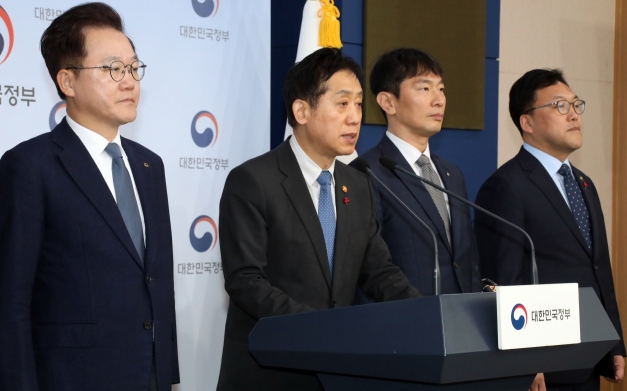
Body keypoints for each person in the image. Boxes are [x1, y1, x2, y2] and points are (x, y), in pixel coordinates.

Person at [216, 48, 421, 390]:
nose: (355, 116)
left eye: (358, 104)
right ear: (302, 111)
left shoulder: (359, 185)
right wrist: (321, 328)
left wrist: (425, 314)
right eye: (342, 104)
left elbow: (380, 272)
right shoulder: (253, 180)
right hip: (270, 373)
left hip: (336, 375)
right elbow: (245, 281)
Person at [0, 3, 179, 390]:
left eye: (133, 68)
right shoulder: (30, 166)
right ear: (67, 81)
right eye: (113, 69)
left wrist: (166, 370)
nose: (130, 81)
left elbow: (155, 282)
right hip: (72, 378)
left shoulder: (151, 166)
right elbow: (11, 302)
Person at [474, 68, 625, 390]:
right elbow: (504, 280)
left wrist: (614, 341)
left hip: (591, 353)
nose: (573, 115)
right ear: (526, 123)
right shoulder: (506, 186)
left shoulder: (584, 183)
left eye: (576, 105)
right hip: (544, 365)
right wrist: (523, 360)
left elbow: (599, 269)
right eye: (559, 106)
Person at [354, 48, 482, 296]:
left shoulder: (451, 174)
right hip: (406, 323)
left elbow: (467, 261)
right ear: (388, 102)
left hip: (462, 319)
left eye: (441, 89)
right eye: (425, 88)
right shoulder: (366, 172)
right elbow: (369, 269)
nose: (439, 100)